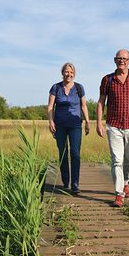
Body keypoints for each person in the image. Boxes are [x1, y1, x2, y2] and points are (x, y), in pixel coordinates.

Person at [96, 49, 129, 207]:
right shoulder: (107, 79)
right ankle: (119, 193)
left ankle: (125, 182)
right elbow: (101, 102)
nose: (122, 61)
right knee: (116, 161)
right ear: (114, 60)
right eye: (119, 58)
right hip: (114, 125)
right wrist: (98, 122)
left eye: (125, 59)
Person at [47, 62, 90, 194]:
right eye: (66, 72)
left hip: (75, 125)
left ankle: (75, 184)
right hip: (60, 125)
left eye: (71, 72)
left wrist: (88, 122)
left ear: (74, 74)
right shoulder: (56, 87)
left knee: (75, 154)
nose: (69, 74)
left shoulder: (79, 88)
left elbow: (83, 106)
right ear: (62, 73)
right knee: (63, 153)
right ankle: (66, 182)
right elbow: (50, 107)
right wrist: (51, 121)